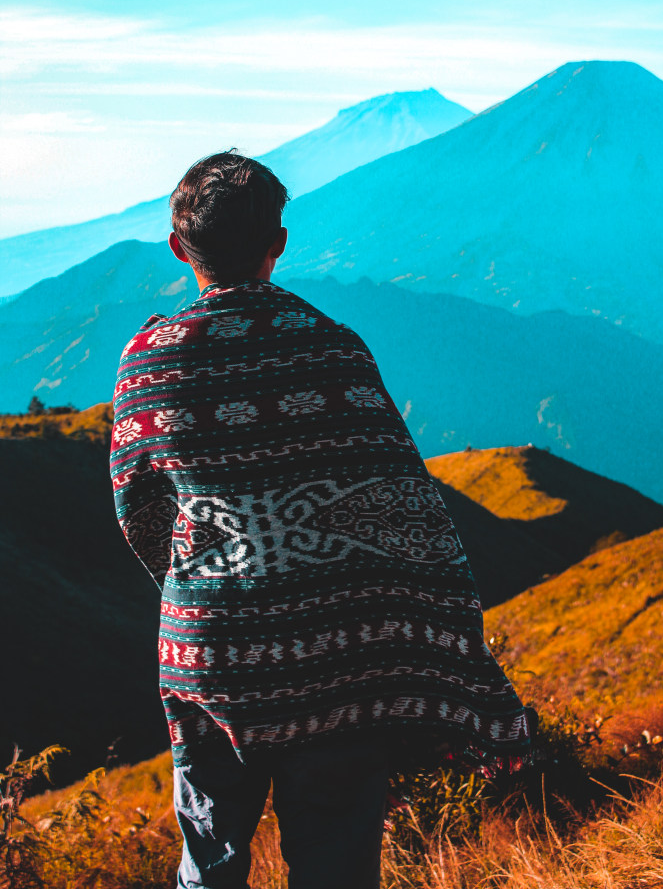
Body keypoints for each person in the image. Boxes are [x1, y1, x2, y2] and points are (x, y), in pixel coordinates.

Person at [110, 151, 531, 889]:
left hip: (208, 656)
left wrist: (203, 584)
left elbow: (138, 511)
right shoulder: (335, 347)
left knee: (210, 862)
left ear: (180, 249)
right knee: (336, 865)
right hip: (337, 661)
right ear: (278, 240)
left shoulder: (148, 364)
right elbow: (403, 504)